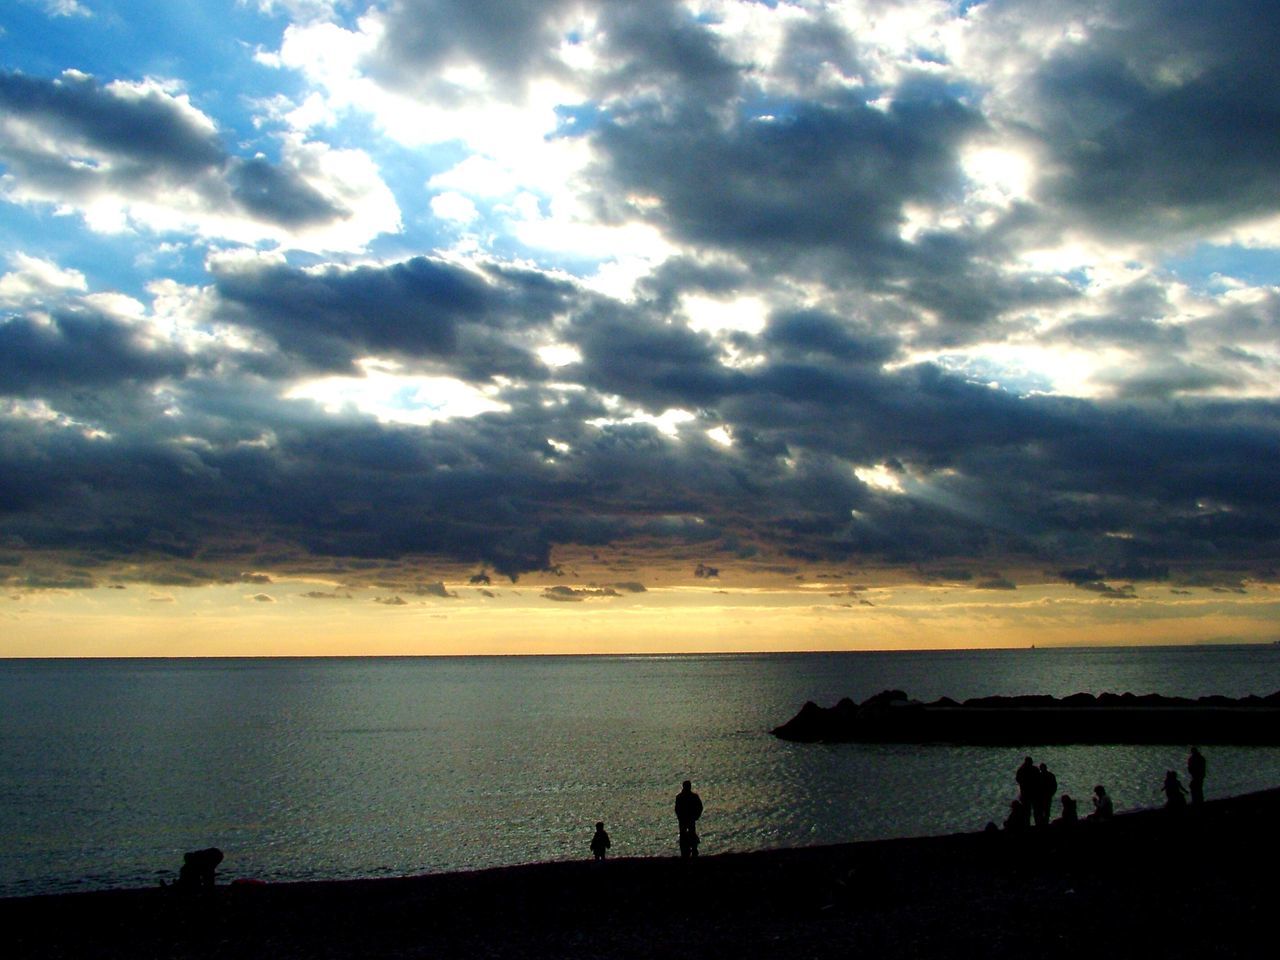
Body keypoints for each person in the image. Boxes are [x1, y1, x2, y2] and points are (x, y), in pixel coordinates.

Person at [674, 780, 703, 858]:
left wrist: (696, 816)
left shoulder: (681, 797)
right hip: (686, 819)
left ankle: (691, 851)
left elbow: (699, 807)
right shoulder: (684, 797)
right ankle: (688, 851)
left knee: (689, 834)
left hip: (688, 819)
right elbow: (677, 809)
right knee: (687, 835)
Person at [1035, 762, 1058, 828]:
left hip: (1041, 797)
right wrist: (1051, 794)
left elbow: (1035, 787)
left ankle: (1041, 825)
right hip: (1047, 796)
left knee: (1041, 811)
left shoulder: (1038, 776)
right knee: (1046, 811)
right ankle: (1046, 824)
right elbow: (1054, 786)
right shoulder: (1051, 775)